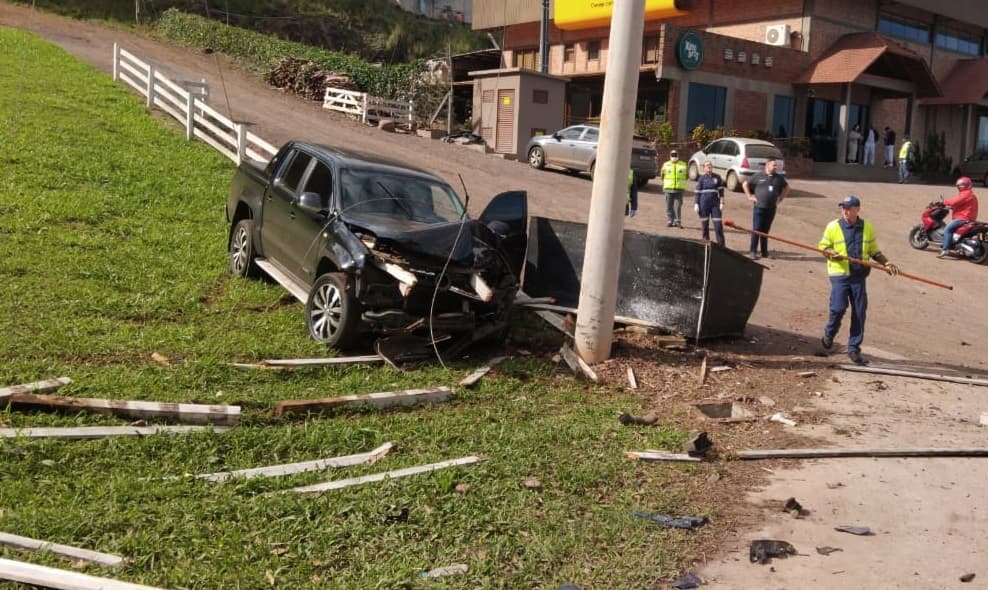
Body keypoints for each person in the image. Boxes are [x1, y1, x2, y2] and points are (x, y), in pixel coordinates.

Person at [819, 195, 900, 365]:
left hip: (858, 276)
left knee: (859, 312)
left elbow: (874, 251)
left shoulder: (867, 227)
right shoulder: (833, 226)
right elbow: (823, 246)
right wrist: (830, 252)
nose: (845, 211)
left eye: (848, 208)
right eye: (843, 208)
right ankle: (830, 333)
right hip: (839, 274)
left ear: (857, 209)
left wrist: (887, 262)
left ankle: (854, 348)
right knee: (838, 308)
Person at [742, 158, 789, 259]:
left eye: (776, 166)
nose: (776, 167)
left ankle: (764, 253)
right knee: (756, 229)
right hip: (759, 207)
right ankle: (753, 252)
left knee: (765, 231)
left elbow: (787, 187)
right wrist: (749, 196)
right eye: (774, 165)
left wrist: (781, 198)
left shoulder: (778, 178)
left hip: (771, 208)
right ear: (767, 165)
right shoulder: (758, 175)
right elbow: (745, 184)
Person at [939, 176, 979, 258]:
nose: (959, 187)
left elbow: (955, 201)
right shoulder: (971, 195)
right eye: (959, 185)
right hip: (969, 218)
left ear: (967, 185)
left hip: (962, 218)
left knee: (948, 229)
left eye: (961, 185)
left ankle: (945, 249)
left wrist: (944, 202)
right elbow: (962, 205)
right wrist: (952, 207)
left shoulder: (966, 194)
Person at [693, 161, 726, 246]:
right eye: (707, 165)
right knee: (705, 225)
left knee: (718, 225)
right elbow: (697, 192)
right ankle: (705, 244)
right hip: (703, 204)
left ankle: (721, 245)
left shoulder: (717, 177)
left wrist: (722, 202)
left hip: (715, 204)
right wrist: (696, 204)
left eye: (710, 165)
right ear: (704, 168)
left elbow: (721, 191)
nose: (709, 167)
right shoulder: (701, 178)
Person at [661, 149, 688, 227]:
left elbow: (686, 176)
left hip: (679, 189)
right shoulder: (666, 165)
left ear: (678, 155)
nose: (674, 157)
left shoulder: (683, 164)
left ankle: (677, 221)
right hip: (668, 188)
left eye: (675, 155)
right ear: (670, 156)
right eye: (672, 155)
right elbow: (662, 176)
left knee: (678, 206)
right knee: (669, 206)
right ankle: (670, 220)